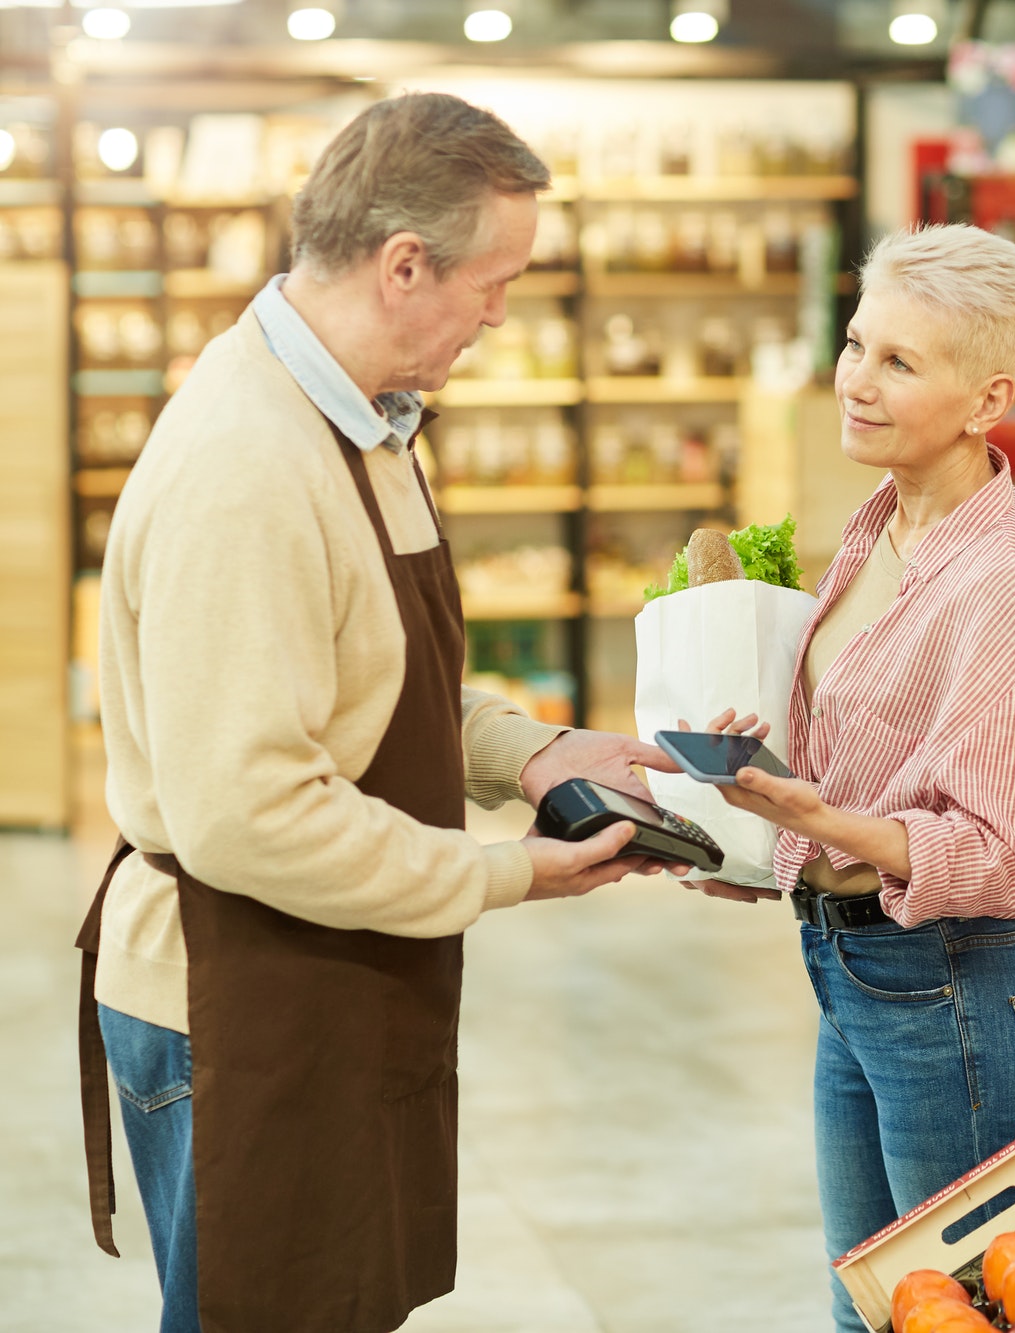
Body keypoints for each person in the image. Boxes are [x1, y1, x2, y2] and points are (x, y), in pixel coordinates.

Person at [76, 93, 703, 1333]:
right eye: (492, 281)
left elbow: (385, 676)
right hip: (237, 996)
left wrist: (534, 754)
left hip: (328, 966)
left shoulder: (359, 419)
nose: (499, 315)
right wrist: (503, 873)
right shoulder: (248, 469)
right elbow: (248, 813)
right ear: (403, 264)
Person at [709, 223, 1015, 1331]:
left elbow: (1007, 854)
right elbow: (854, 757)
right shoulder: (880, 523)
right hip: (856, 969)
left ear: (986, 399)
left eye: (898, 362)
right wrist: (747, 840)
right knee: (867, 1307)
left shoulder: (1003, 586)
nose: (854, 382)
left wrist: (832, 824)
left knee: (963, 1315)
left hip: (958, 986)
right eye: (857, 342)